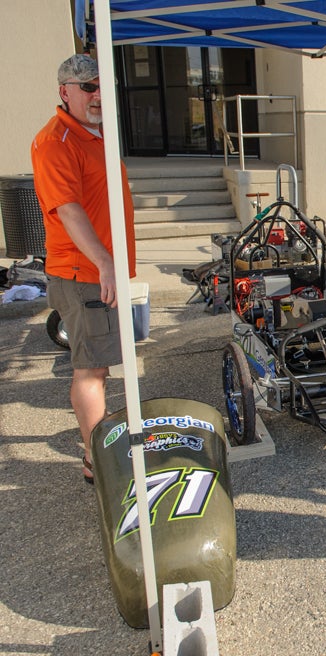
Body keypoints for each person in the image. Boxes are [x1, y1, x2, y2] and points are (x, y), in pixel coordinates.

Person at [31, 54, 137, 484]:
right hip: (84, 274)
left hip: (100, 272)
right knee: (90, 370)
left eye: (101, 87)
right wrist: (106, 263)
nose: (96, 95)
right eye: (87, 87)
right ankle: (100, 462)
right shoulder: (55, 141)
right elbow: (69, 211)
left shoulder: (98, 134)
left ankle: (101, 446)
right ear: (65, 92)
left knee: (100, 364)